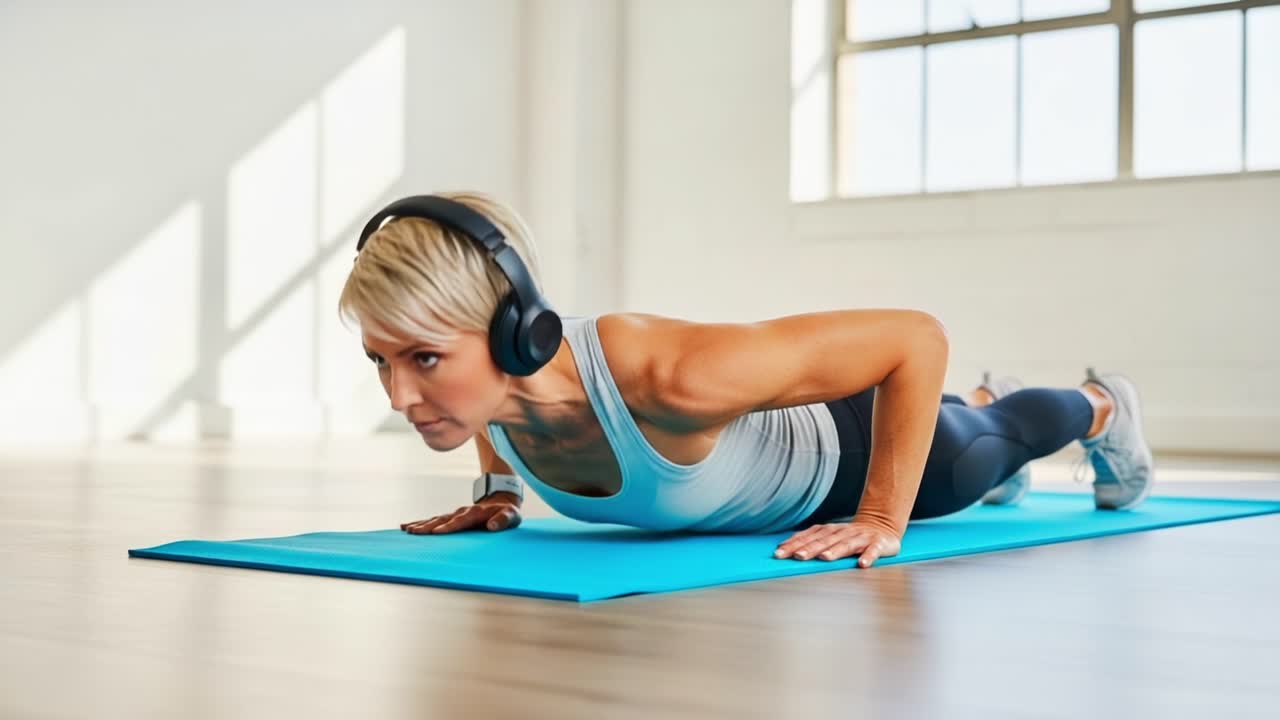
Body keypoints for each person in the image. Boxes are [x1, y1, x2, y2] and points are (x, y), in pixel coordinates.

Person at [339, 192, 1154, 569]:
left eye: (425, 360)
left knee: (986, 449)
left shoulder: (669, 378)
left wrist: (878, 514)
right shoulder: (497, 382)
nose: (399, 397)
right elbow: (497, 404)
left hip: (843, 453)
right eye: (382, 358)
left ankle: (1100, 403)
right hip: (776, 442)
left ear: (515, 333)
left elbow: (914, 336)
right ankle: (980, 397)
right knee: (974, 423)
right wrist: (499, 490)